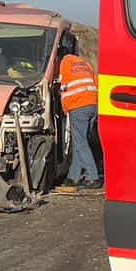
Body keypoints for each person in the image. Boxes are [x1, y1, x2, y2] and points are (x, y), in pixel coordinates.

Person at [60, 50, 101, 188]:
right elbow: (96, 83)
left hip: (78, 106)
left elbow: (63, 85)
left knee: (80, 143)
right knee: (81, 142)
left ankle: (93, 177)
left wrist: (64, 107)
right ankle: (73, 176)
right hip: (93, 105)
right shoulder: (85, 64)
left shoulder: (65, 63)